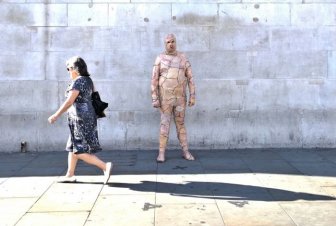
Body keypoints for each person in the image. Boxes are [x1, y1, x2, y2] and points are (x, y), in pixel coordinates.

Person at [48, 56, 112, 184]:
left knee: (79, 151)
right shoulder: (88, 80)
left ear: (75, 69)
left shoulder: (78, 81)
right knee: (73, 147)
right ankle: (70, 174)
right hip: (86, 117)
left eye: (69, 68)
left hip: (80, 119)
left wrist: (56, 115)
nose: (68, 71)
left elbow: (69, 101)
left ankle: (105, 166)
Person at [151, 34, 196, 163]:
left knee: (181, 125)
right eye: (168, 42)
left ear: (176, 42)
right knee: (164, 125)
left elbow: (191, 78)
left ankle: (186, 151)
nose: (171, 44)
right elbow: (154, 79)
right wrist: (154, 97)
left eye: (173, 41)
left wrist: (192, 95)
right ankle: (161, 153)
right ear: (165, 44)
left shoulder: (183, 58)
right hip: (165, 99)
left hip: (180, 98)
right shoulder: (160, 58)